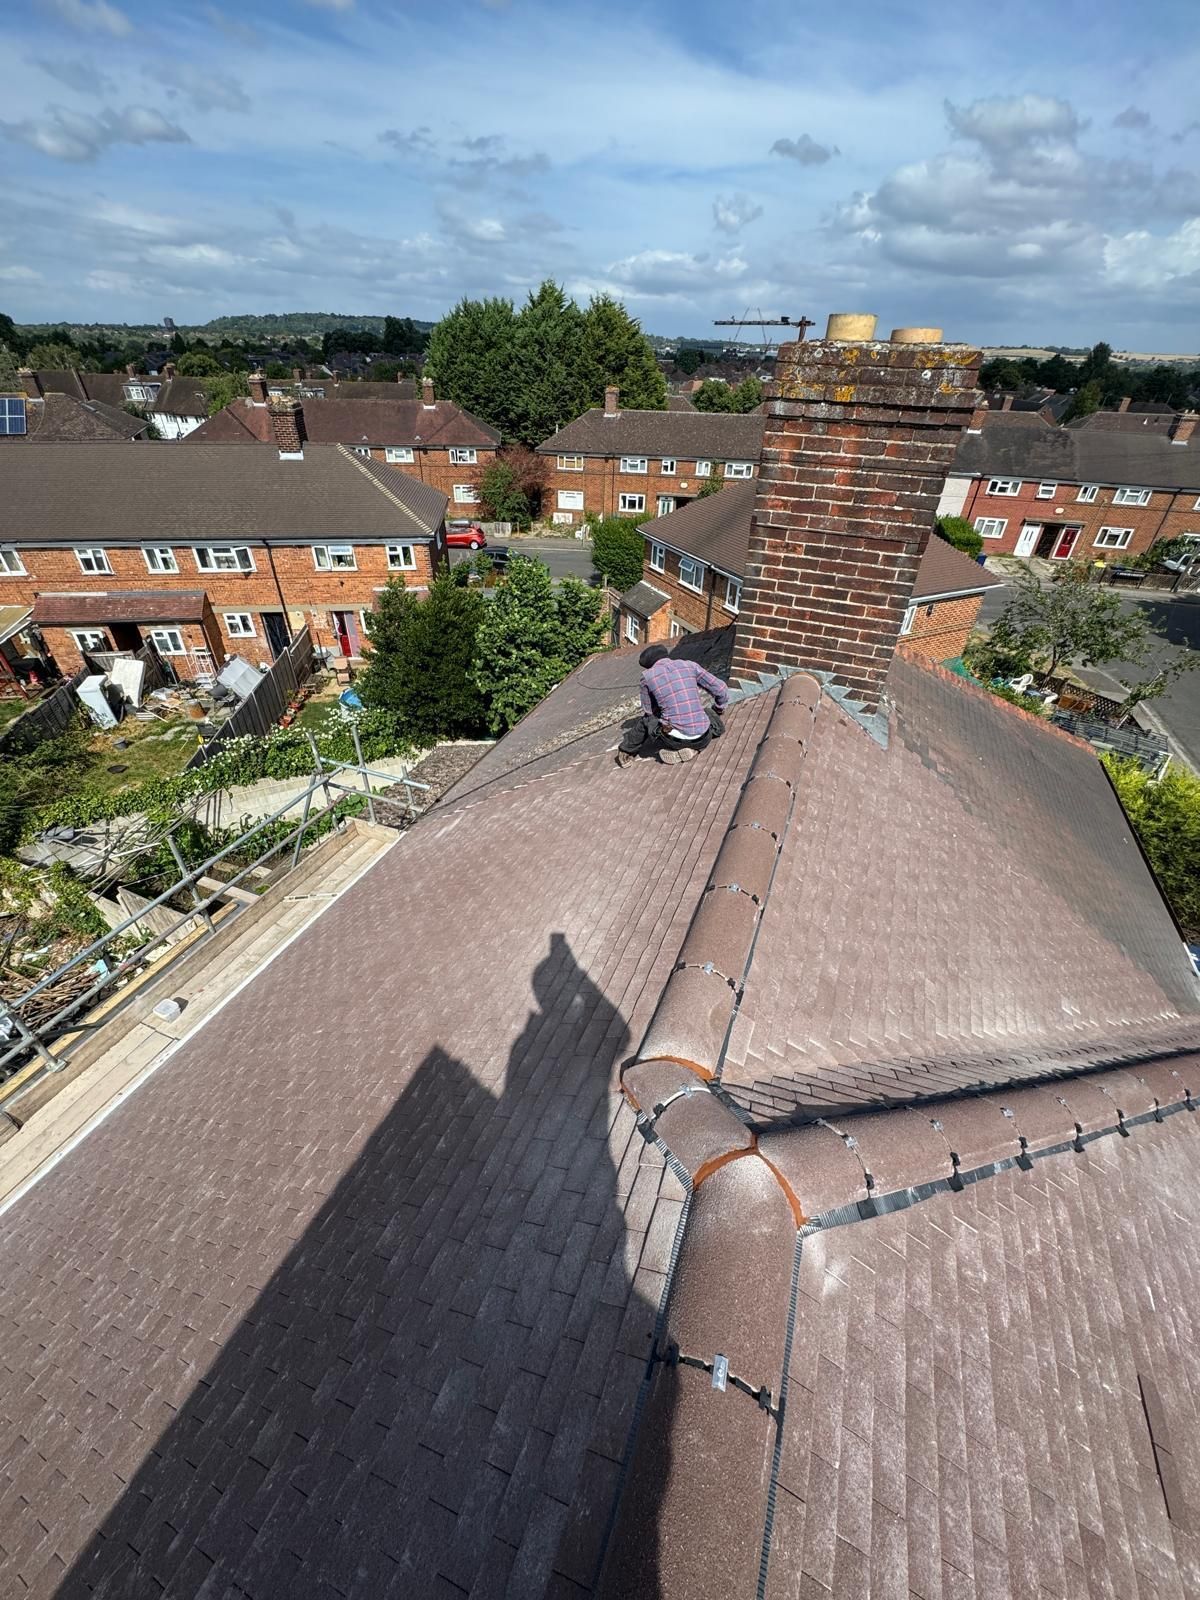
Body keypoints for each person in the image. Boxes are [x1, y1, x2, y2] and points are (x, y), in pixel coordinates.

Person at [616, 644, 728, 767]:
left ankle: (626, 752)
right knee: (708, 712)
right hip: (704, 738)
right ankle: (694, 749)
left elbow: (648, 711)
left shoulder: (647, 677)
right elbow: (721, 689)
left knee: (646, 720)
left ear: (649, 666)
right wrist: (719, 707)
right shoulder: (690, 665)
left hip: (674, 741)